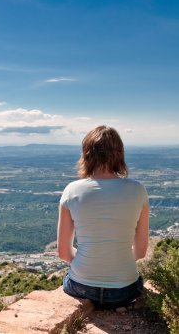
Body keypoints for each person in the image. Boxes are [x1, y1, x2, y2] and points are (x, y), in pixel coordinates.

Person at [57, 125, 149, 309]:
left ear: (87, 155)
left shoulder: (72, 190)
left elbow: (63, 253)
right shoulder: (138, 190)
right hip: (124, 290)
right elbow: (140, 252)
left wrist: (89, 264)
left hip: (82, 287)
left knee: (68, 276)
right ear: (119, 155)